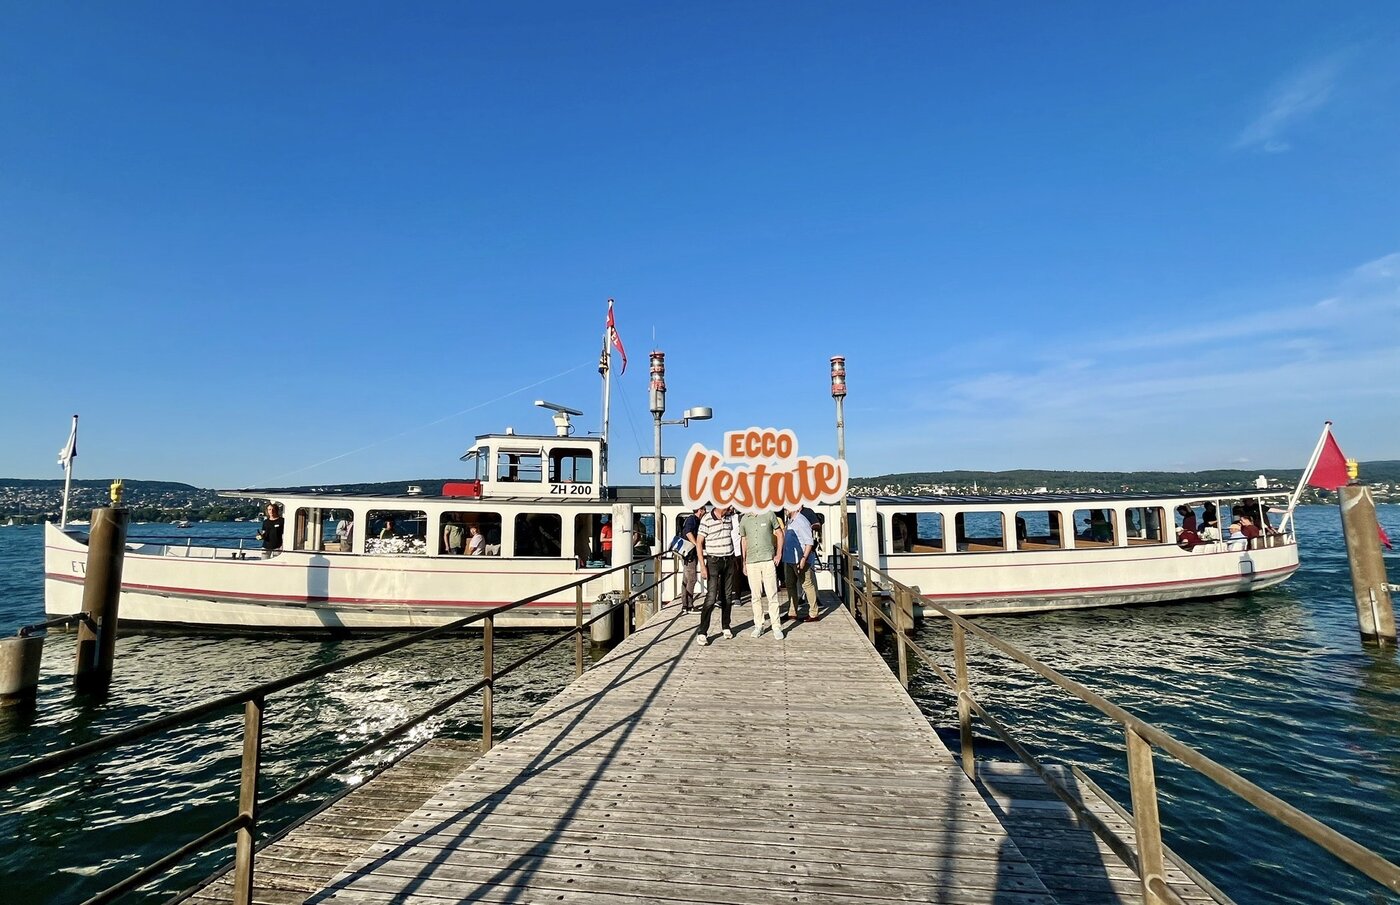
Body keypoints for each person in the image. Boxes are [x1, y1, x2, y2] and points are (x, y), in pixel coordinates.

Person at [696, 503, 739, 645]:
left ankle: (726, 625)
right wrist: (702, 566)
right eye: (729, 507)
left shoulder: (729, 518)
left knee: (727, 596)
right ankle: (702, 632)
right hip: (713, 560)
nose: (731, 509)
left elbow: (732, 537)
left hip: (729, 558)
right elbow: (699, 542)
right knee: (711, 597)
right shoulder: (707, 519)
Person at [739, 507, 785, 639]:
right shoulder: (744, 519)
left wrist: (778, 554)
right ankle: (758, 625)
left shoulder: (769, 514)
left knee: (772, 594)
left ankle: (776, 626)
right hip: (751, 562)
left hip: (767, 560)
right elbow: (744, 541)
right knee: (755, 596)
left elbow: (780, 534)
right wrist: (743, 562)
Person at [782, 505, 820, 622]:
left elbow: (809, 542)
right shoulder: (790, 520)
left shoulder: (801, 520)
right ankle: (792, 611)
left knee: (806, 584)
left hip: (800, 559)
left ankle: (814, 613)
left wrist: (804, 558)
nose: (785, 509)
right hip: (789, 558)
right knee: (790, 584)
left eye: (787, 507)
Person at [680, 505, 705, 613]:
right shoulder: (692, 520)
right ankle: (689, 605)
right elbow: (688, 532)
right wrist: (696, 544)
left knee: (686, 579)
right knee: (692, 579)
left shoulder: (692, 520)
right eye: (704, 509)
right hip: (689, 554)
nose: (705, 512)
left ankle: (685, 605)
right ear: (700, 510)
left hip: (687, 554)